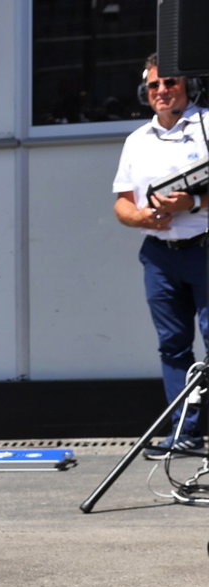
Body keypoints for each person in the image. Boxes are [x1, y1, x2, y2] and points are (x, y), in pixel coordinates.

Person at [112, 54, 209, 459]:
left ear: (189, 87)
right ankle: (184, 433)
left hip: (204, 249)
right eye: (154, 86)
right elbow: (121, 202)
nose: (162, 91)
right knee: (172, 346)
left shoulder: (207, 124)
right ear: (144, 92)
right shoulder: (137, 140)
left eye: (170, 83)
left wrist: (194, 201)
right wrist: (140, 217)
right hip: (160, 257)